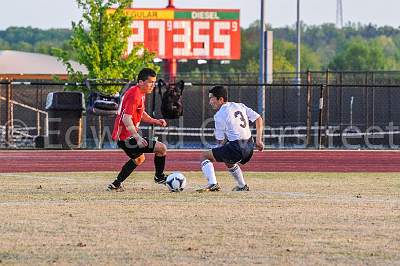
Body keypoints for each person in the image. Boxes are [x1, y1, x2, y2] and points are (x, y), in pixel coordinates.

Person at [107, 68, 168, 191]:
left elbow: (140, 112)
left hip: (124, 137)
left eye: (154, 82)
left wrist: (154, 121)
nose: (153, 85)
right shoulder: (135, 94)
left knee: (139, 159)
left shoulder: (138, 93)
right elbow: (126, 118)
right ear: (141, 82)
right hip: (125, 137)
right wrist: (137, 137)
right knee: (161, 148)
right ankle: (159, 177)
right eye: (150, 82)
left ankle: (116, 184)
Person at [197, 85, 264, 192]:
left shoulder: (219, 115)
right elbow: (258, 118)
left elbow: (220, 141)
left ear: (221, 99)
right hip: (250, 147)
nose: (210, 102)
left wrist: (216, 150)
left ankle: (213, 184)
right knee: (228, 160)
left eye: (212, 98)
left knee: (204, 156)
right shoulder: (239, 105)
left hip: (237, 148)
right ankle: (242, 186)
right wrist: (259, 140)